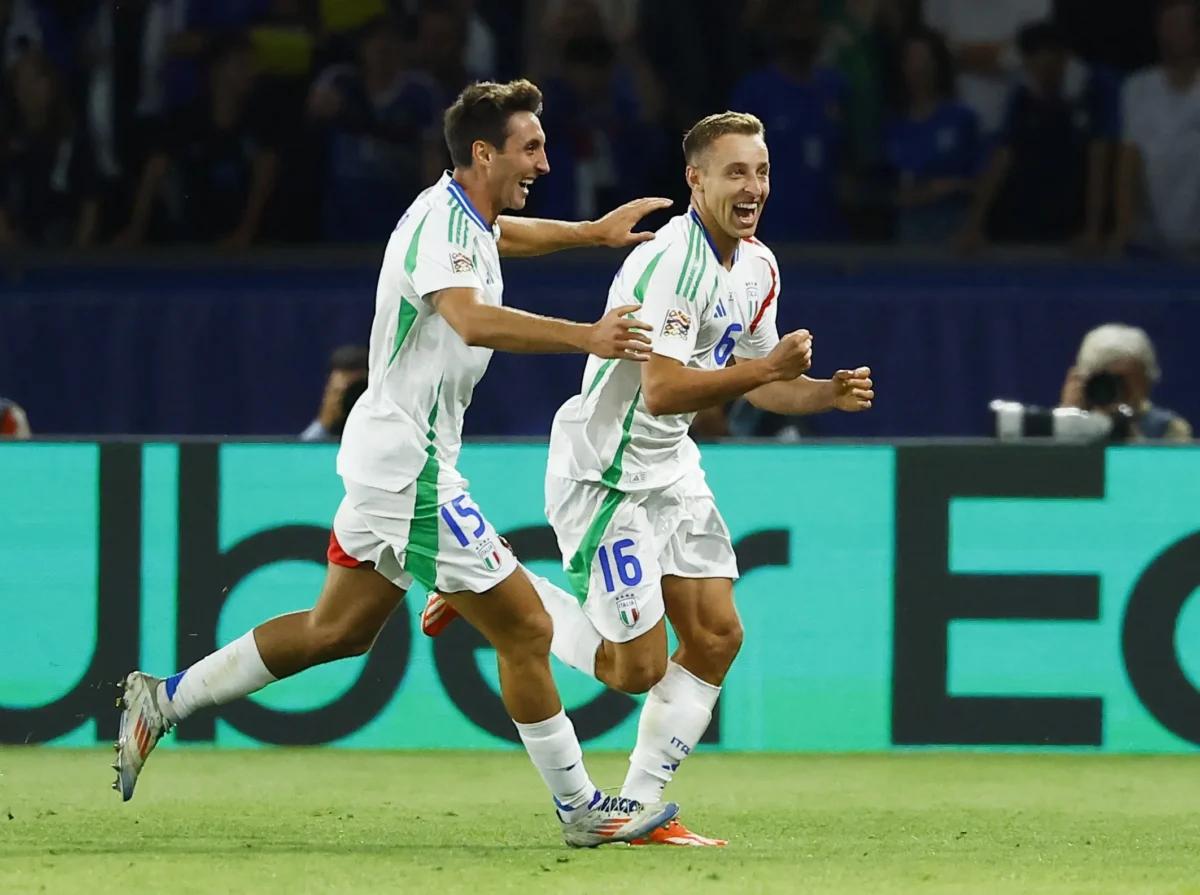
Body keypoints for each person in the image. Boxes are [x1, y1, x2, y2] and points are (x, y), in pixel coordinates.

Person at [114, 79, 684, 849]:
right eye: (531, 148)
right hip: (406, 469)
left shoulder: (467, 218)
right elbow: (472, 317)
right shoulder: (439, 224)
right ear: (483, 152)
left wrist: (589, 233)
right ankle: (580, 806)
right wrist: (587, 335)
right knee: (520, 627)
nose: (544, 162)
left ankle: (164, 699)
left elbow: (503, 240)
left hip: (398, 461)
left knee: (336, 630)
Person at [421, 111, 875, 846]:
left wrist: (819, 391)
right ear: (695, 180)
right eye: (735, 172)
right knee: (636, 667)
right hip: (605, 475)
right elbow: (664, 388)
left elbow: (758, 386)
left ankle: (634, 809)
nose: (752, 185)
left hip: (671, 468)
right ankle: (486, 587)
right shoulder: (671, 263)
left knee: (720, 634)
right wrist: (766, 368)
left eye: (760, 171)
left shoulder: (758, 265)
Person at [1059, 323, 1192, 442]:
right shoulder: (1061, 422)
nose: (1116, 390)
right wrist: (1068, 417)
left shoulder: (1169, 428)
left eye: (1124, 380)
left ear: (1146, 381)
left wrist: (1128, 433)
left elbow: (1167, 469)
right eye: (1106, 380)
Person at [300, 344, 369, 442]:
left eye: (357, 390)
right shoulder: (327, 430)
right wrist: (324, 422)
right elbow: (302, 452)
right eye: (343, 392)